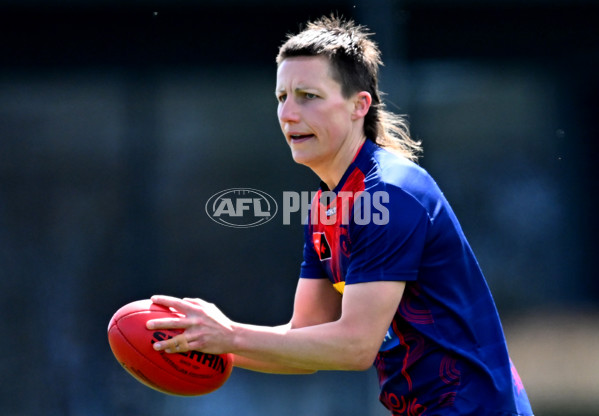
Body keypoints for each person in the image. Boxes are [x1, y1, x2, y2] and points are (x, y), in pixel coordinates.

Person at [147, 16, 534, 415]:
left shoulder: (386, 196)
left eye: (308, 95)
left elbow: (356, 345)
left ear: (359, 105)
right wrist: (198, 341)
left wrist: (229, 335)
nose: (289, 114)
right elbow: (305, 338)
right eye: (282, 97)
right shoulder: (325, 205)